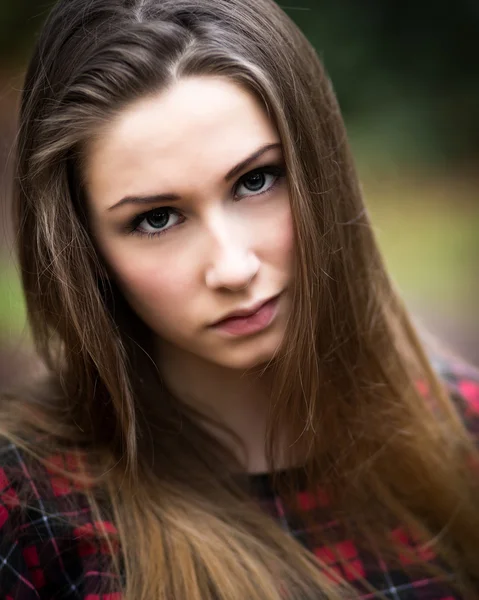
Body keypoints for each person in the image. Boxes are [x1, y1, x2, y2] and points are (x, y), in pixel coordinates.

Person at [1, 0, 478, 598]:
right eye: (156, 219)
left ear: (320, 173)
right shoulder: (30, 508)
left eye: (256, 180)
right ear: (87, 250)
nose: (232, 266)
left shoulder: (460, 430)